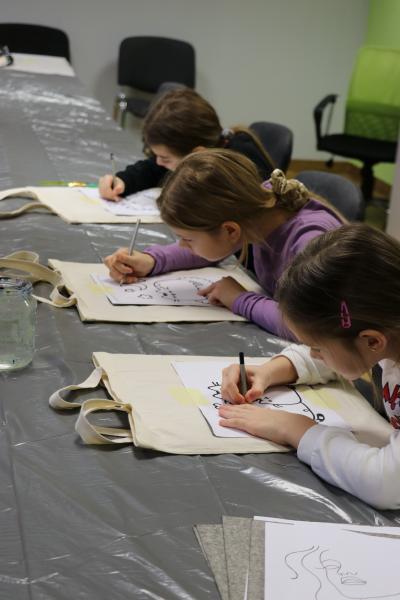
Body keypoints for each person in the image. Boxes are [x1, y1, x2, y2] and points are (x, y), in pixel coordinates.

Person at [219, 223, 400, 509]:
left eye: (317, 348)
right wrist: (274, 370)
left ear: (373, 341)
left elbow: (385, 483)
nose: (313, 355)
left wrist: (297, 430)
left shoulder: (377, 334)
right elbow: (344, 350)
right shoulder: (386, 326)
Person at [104, 150, 343, 337]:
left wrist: (240, 299)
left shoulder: (309, 243)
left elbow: (309, 327)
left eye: (187, 239)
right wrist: (153, 260)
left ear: (230, 230)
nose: (183, 246)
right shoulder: (256, 207)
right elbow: (212, 244)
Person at [98, 88, 274, 201]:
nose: (158, 162)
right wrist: (122, 181)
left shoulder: (236, 172)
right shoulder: (202, 150)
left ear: (197, 153)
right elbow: (153, 169)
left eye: (165, 158)